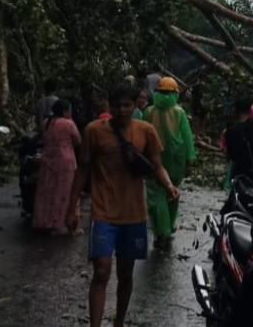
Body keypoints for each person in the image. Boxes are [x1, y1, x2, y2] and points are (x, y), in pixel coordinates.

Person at [65, 84, 179, 327]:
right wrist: (71, 206)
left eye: (126, 105)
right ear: (109, 105)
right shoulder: (93, 131)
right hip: (103, 212)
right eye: (116, 105)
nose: (121, 110)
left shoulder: (146, 131)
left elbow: (157, 165)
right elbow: (83, 169)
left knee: (125, 274)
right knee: (102, 271)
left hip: (134, 214)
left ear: (135, 104)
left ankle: (119, 321)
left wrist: (169, 186)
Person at [142, 77, 196, 248]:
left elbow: (142, 135)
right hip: (176, 160)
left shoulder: (148, 111)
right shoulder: (179, 113)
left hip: (152, 158)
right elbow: (187, 138)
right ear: (175, 94)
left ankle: (161, 231)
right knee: (172, 193)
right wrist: (190, 161)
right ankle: (169, 227)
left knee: (156, 195)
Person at [33, 99, 82, 235]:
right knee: (67, 192)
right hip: (65, 161)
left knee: (48, 192)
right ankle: (69, 224)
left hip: (48, 159)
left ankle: (49, 223)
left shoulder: (47, 123)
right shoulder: (69, 124)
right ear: (66, 111)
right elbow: (78, 140)